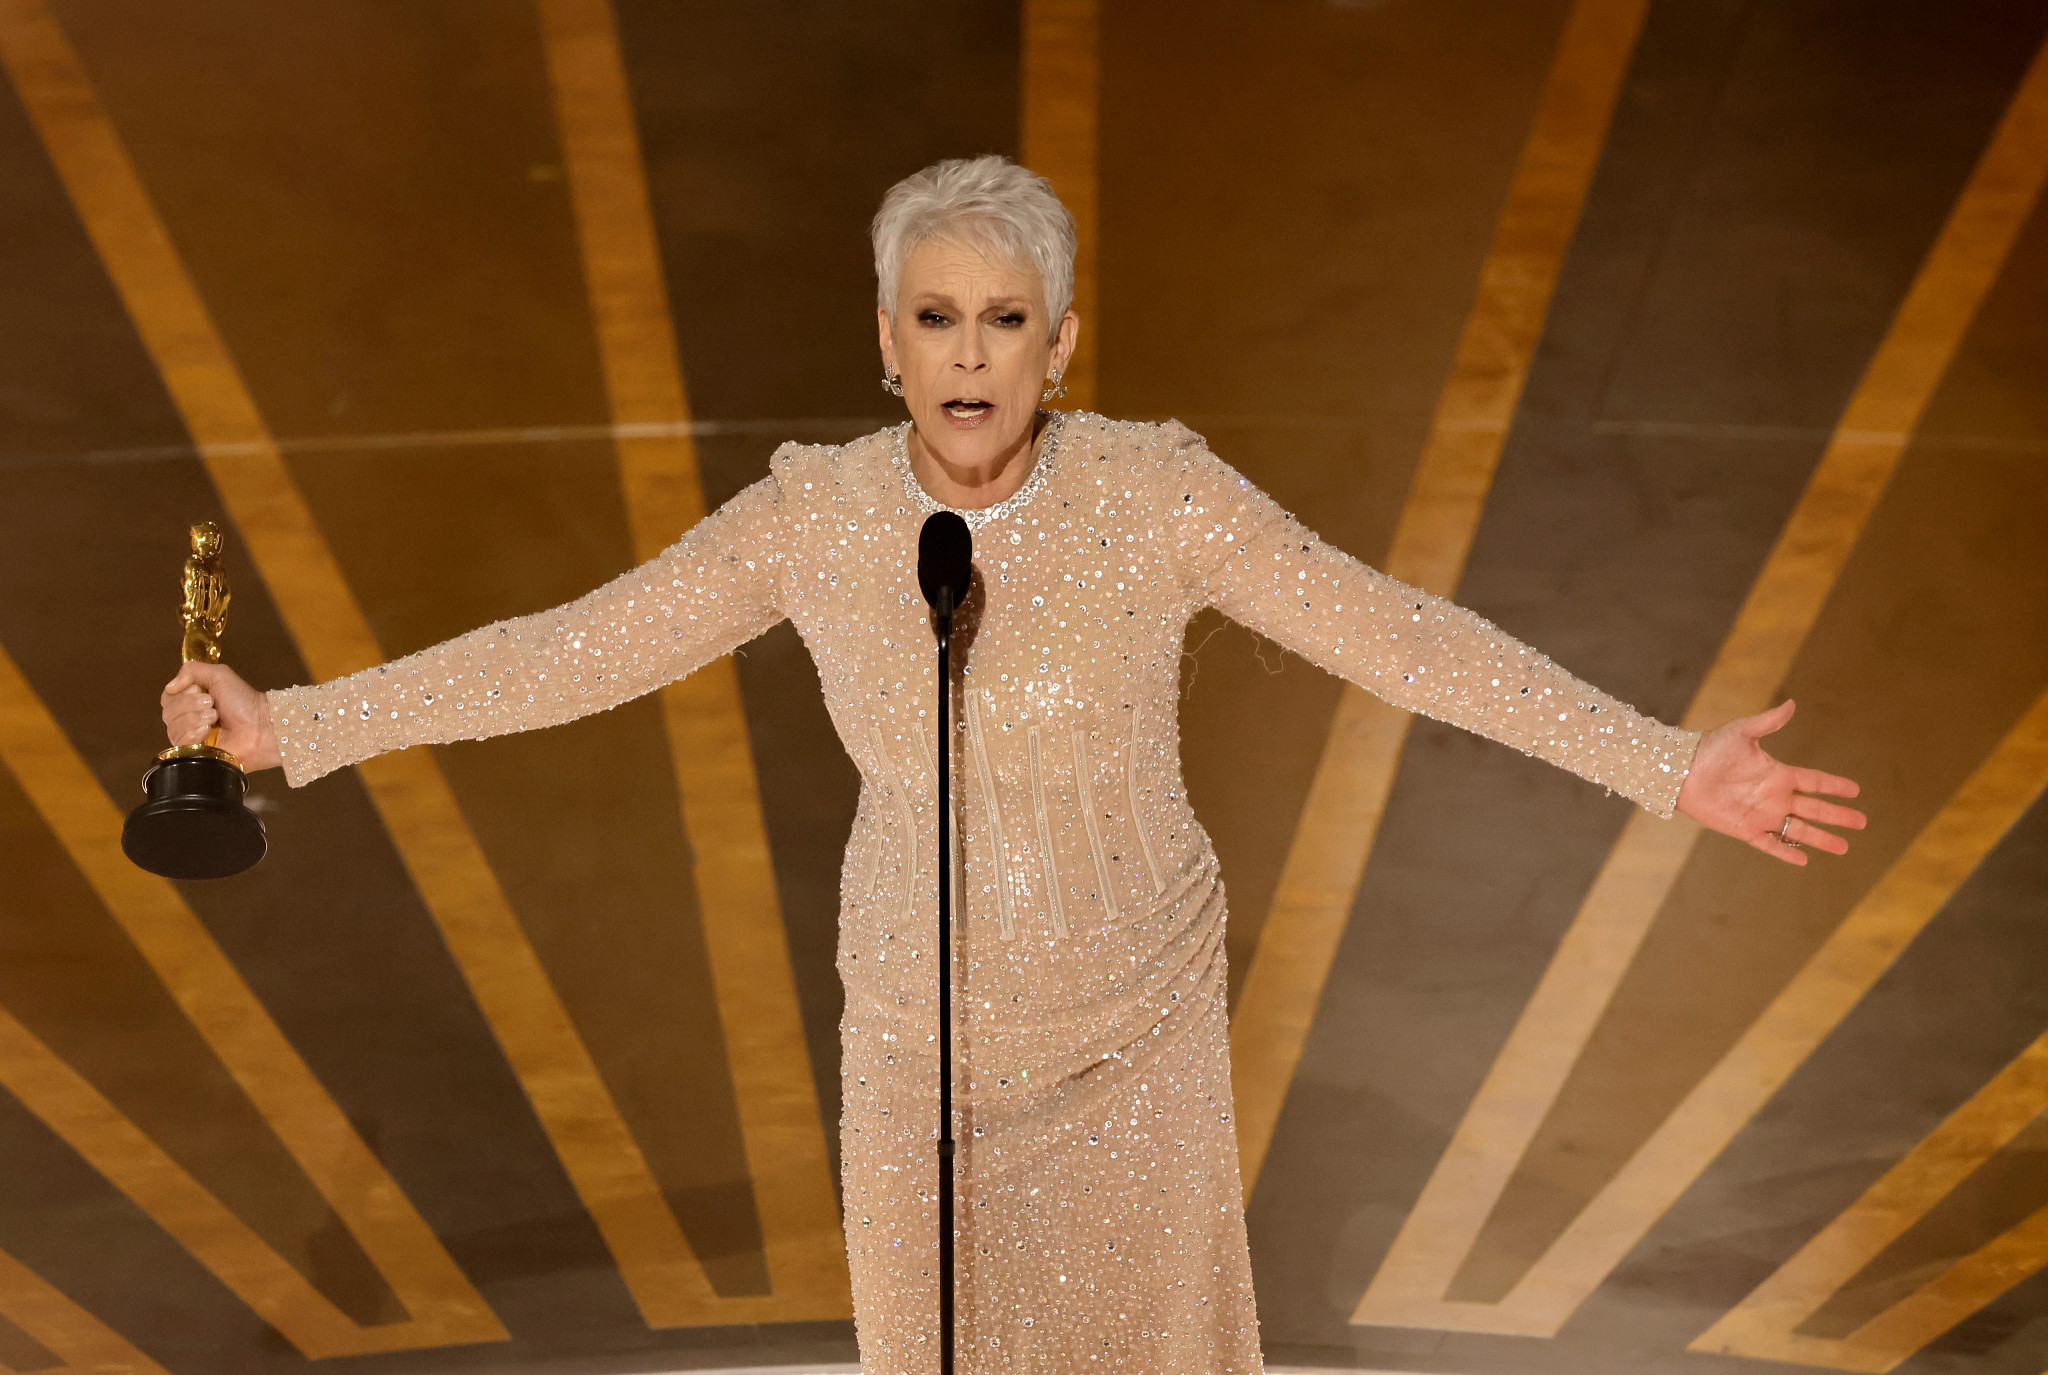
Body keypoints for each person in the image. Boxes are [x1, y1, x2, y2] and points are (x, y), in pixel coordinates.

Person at [160, 155, 1865, 1374]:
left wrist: (1664, 764)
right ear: (884, 344)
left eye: (1006, 319)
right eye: (936, 318)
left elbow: (1401, 637)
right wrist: (298, 725)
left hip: (1137, 1021)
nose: (970, 354)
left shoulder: (1159, 494)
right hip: (919, 1034)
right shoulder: (813, 520)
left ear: (1061, 345)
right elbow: (572, 651)